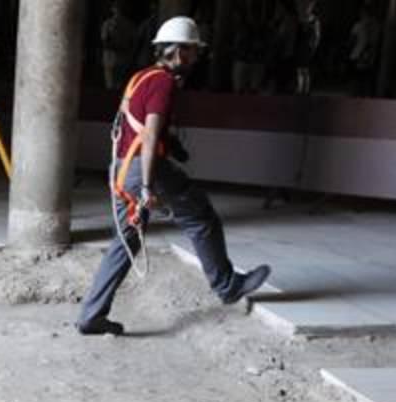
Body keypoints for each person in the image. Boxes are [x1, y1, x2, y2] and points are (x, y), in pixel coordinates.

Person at [77, 16, 271, 336]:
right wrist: (149, 186)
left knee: (124, 243)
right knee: (200, 217)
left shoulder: (141, 77)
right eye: (193, 51)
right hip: (144, 169)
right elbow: (150, 134)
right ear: (179, 52)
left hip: (121, 167)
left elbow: (134, 124)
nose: (196, 58)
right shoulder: (164, 83)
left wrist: (174, 146)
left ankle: (92, 315)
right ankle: (227, 286)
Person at [101, 2, 137, 90]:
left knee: (111, 83)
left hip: (112, 56)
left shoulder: (108, 24)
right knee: (119, 83)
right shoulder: (129, 24)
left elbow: (104, 40)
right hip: (122, 55)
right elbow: (133, 42)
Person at [294, 0, 322, 95]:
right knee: (299, 69)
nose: (306, 8)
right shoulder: (300, 19)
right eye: (305, 7)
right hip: (300, 46)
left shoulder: (315, 20)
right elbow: (297, 35)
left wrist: (313, 47)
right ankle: (299, 88)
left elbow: (317, 36)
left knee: (305, 69)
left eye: (309, 7)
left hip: (308, 47)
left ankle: (306, 89)